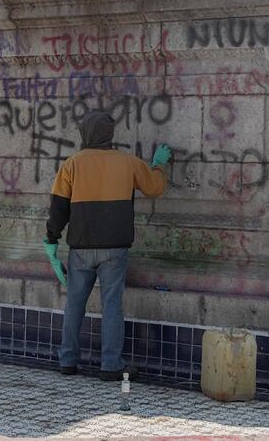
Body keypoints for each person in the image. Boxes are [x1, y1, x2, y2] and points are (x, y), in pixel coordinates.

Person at [43, 111, 172, 381]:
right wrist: (159, 165)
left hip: (80, 247)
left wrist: (52, 238)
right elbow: (154, 188)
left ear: (84, 134)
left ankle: (68, 360)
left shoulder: (72, 164)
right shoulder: (128, 163)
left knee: (74, 304)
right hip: (115, 248)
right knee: (112, 305)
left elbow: (58, 207)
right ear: (109, 135)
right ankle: (111, 365)